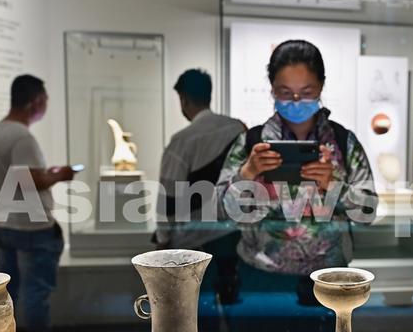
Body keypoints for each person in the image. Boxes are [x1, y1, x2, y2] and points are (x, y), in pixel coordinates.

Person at [216, 40, 378, 305]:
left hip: (329, 279)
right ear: (272, 89)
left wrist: (333, 185)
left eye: (306, 91)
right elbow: (219, 210)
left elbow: (367, 212)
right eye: (285, 92)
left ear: (321, 87)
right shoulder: (251, 142)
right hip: (261, 276)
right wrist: (247, 172)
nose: (295, 101)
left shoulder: (342, 141)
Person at [0, 75, 74, 331]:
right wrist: (60, 175)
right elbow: (30, 180)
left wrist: (46, 174)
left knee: (9, 294)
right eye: (45, 100)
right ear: (35, 102)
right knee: (36, 294)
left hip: (4, 224)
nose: (46, 104)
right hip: (30, 229)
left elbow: (19, 176)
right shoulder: (22, 136)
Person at [156, 69, 246, 303]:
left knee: (195, 308)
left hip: (193, 239)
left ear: (183, 99)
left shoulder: (182, 140)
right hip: (232, 233)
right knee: (231, 303)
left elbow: (169, 198)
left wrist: (162, 238)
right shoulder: (237, 129)